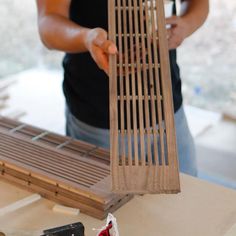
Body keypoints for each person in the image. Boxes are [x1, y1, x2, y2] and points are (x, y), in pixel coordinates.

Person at [36, 0, 209, 176]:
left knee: (183, 200)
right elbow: (49, 20)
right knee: (108, 201)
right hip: (99, 117)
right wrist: (86, 38)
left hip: (169, 110)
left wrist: (187, 24)